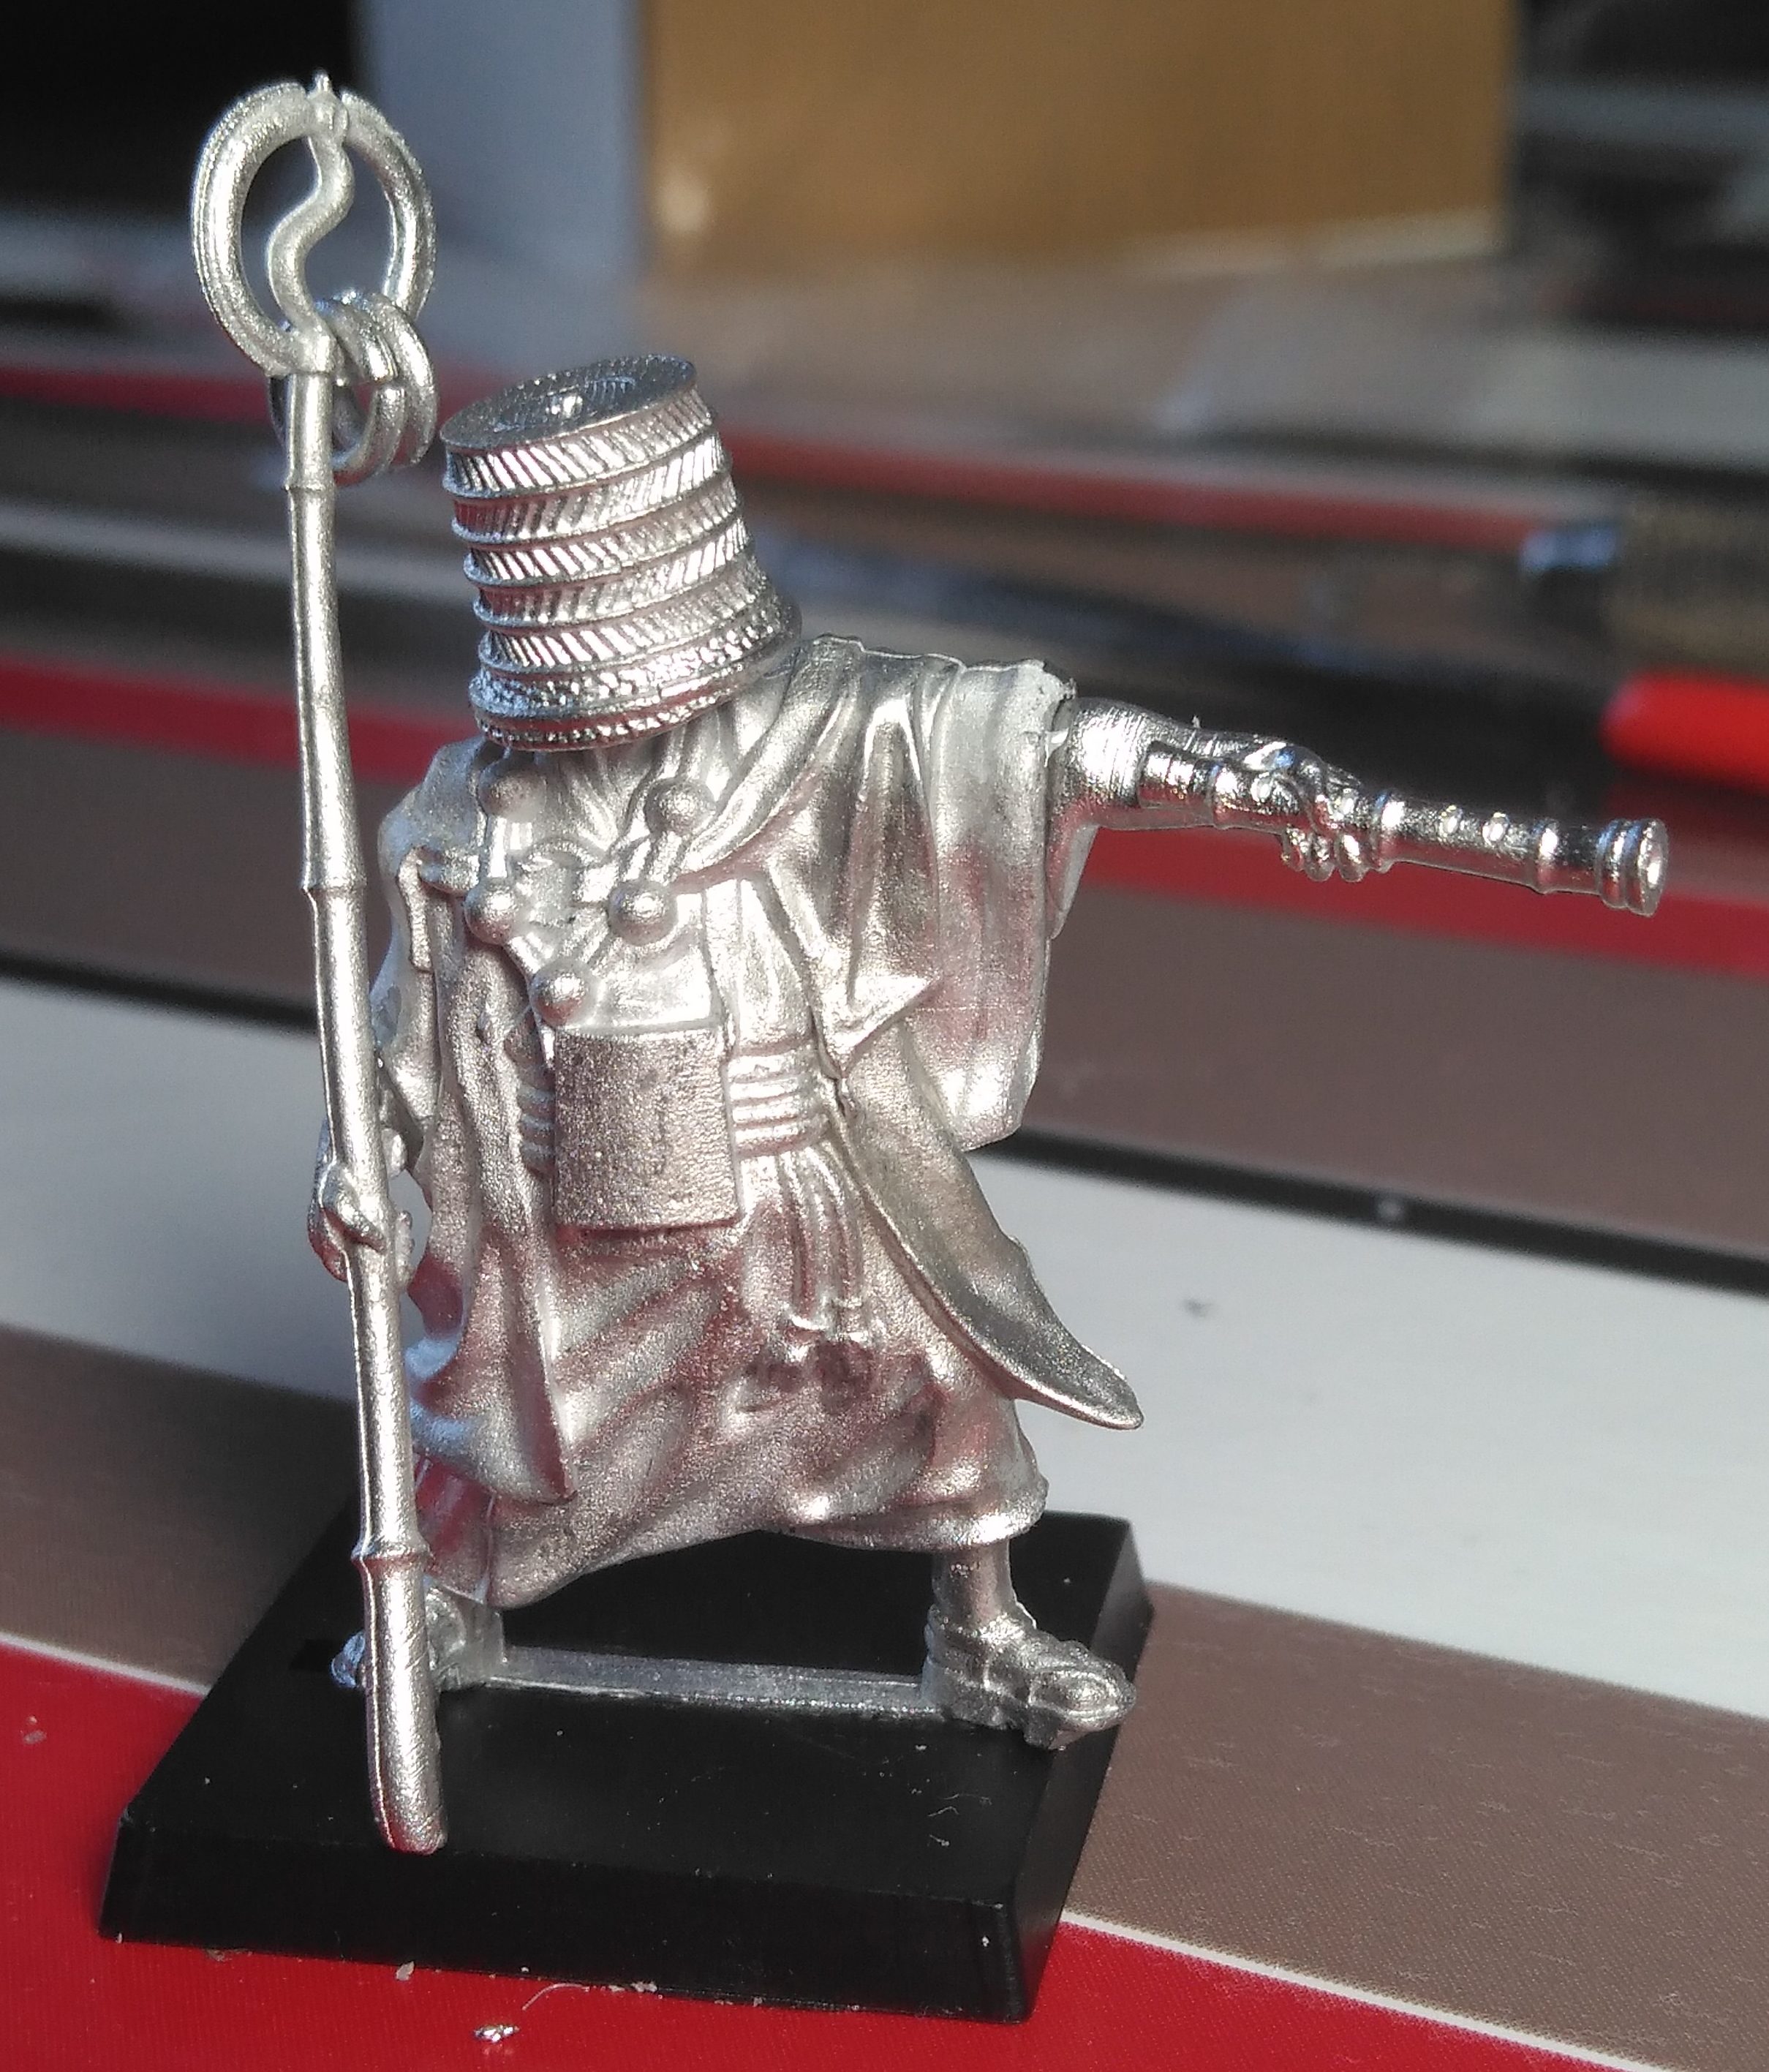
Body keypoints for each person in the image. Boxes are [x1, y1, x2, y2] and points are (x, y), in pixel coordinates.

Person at [313, 355, 1664, 1749]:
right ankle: (449, 1599)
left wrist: (1239, 782)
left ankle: (981, 1632)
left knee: (933, 1392)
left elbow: (1039, 746)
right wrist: (357, 1148)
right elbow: (401, 1025)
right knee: (523, 1432)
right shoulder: (470, 818)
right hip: (568, 1213)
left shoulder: (823, 727)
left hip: (807, 1174)